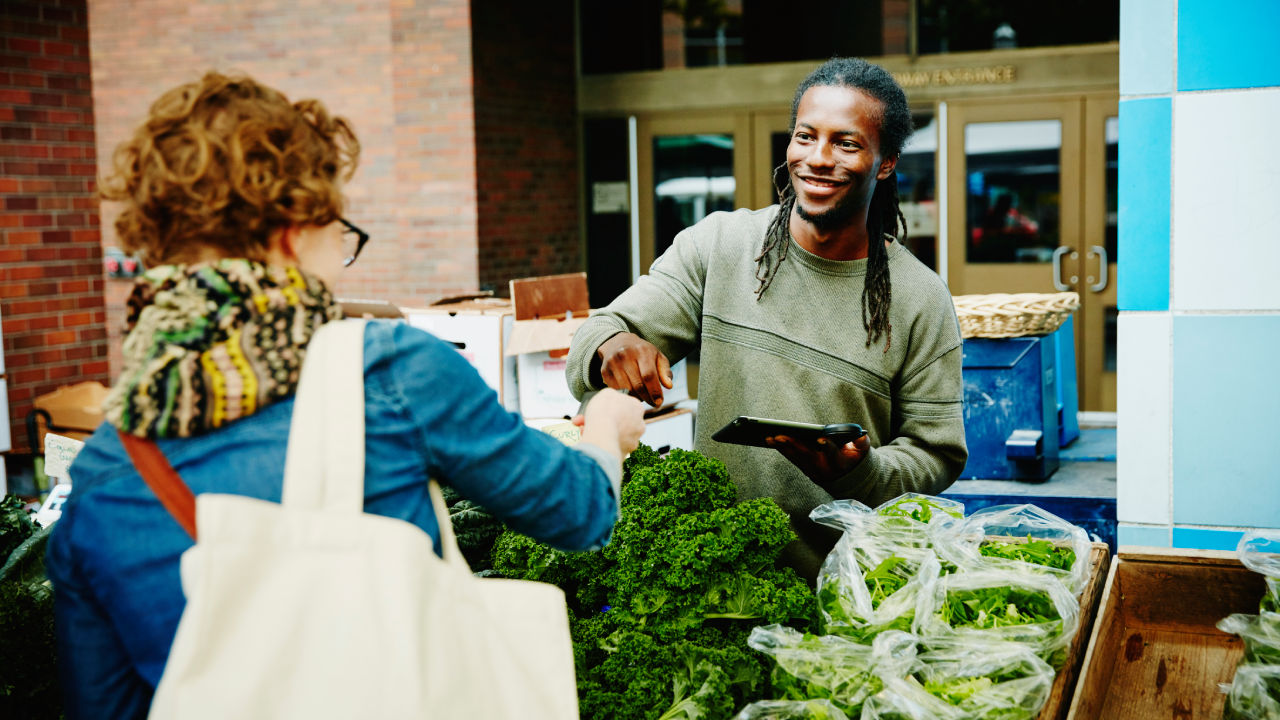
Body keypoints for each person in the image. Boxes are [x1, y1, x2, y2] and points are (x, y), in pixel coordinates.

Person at [46, 72, 647, 720]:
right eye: (340, 231)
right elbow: (580, 514)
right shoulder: (388, 372)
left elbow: (104, 705)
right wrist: (604, 428)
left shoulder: (103, 472)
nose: (342, 257)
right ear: (291, 233)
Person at [566, 58, 967, 582]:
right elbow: (596, 336)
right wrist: (612, 343)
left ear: (885, 162)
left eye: (846, 143)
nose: (817, 159)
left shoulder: (921, 299)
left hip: (846, 592)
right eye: (805, 136)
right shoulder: (719, 245)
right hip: (712, 582)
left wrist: (863, 472)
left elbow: (936, 455)